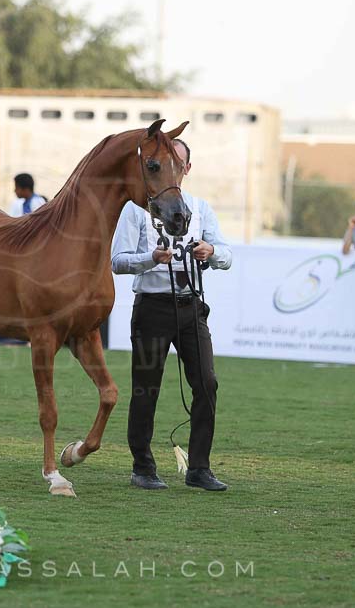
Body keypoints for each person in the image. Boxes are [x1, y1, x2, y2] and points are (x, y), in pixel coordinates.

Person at [111, 139, 230, 493]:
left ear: (187, 169)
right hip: (152, 306)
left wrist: (211, 251)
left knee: (207, 383)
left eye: (178, 163)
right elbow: (117, 261)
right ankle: (142, 466)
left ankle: (199, 468)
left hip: (191, 306)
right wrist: (150, 259)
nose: (172, 168)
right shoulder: (135, 210)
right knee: (146, 387)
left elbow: (226, 254)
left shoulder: (201, 208)